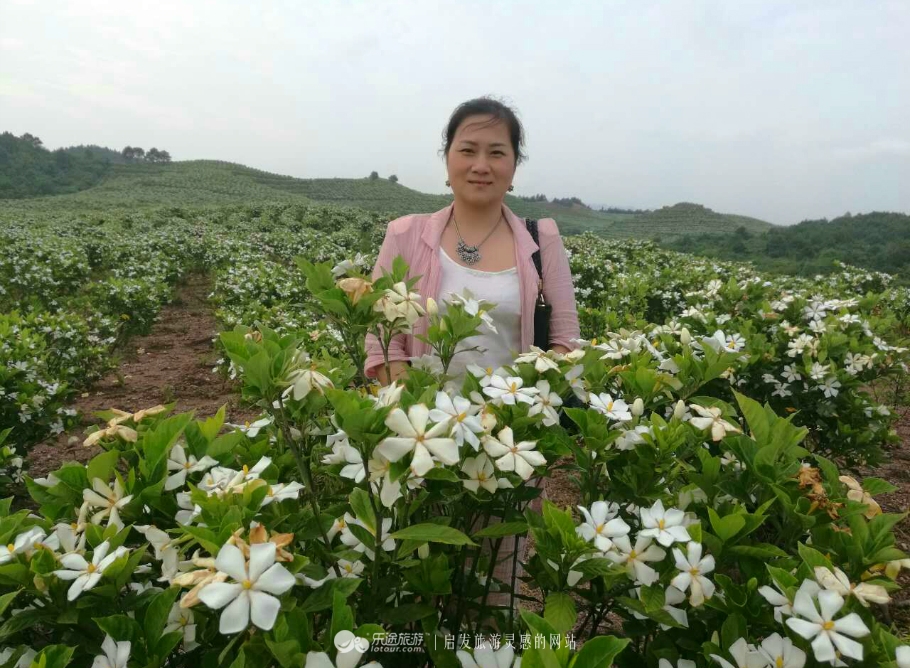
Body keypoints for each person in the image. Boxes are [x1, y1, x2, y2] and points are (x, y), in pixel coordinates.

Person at [364, 97, 581, 383]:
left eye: (496, 153)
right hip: (423, 420)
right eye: (468, 150)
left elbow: (566, 339)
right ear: (448, 159)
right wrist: (422, 411)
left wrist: (519, 415)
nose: (481, 165)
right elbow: (382, 341)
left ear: (514, 165)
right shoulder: (403, 235)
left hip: (513, 420)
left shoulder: (543, 239)